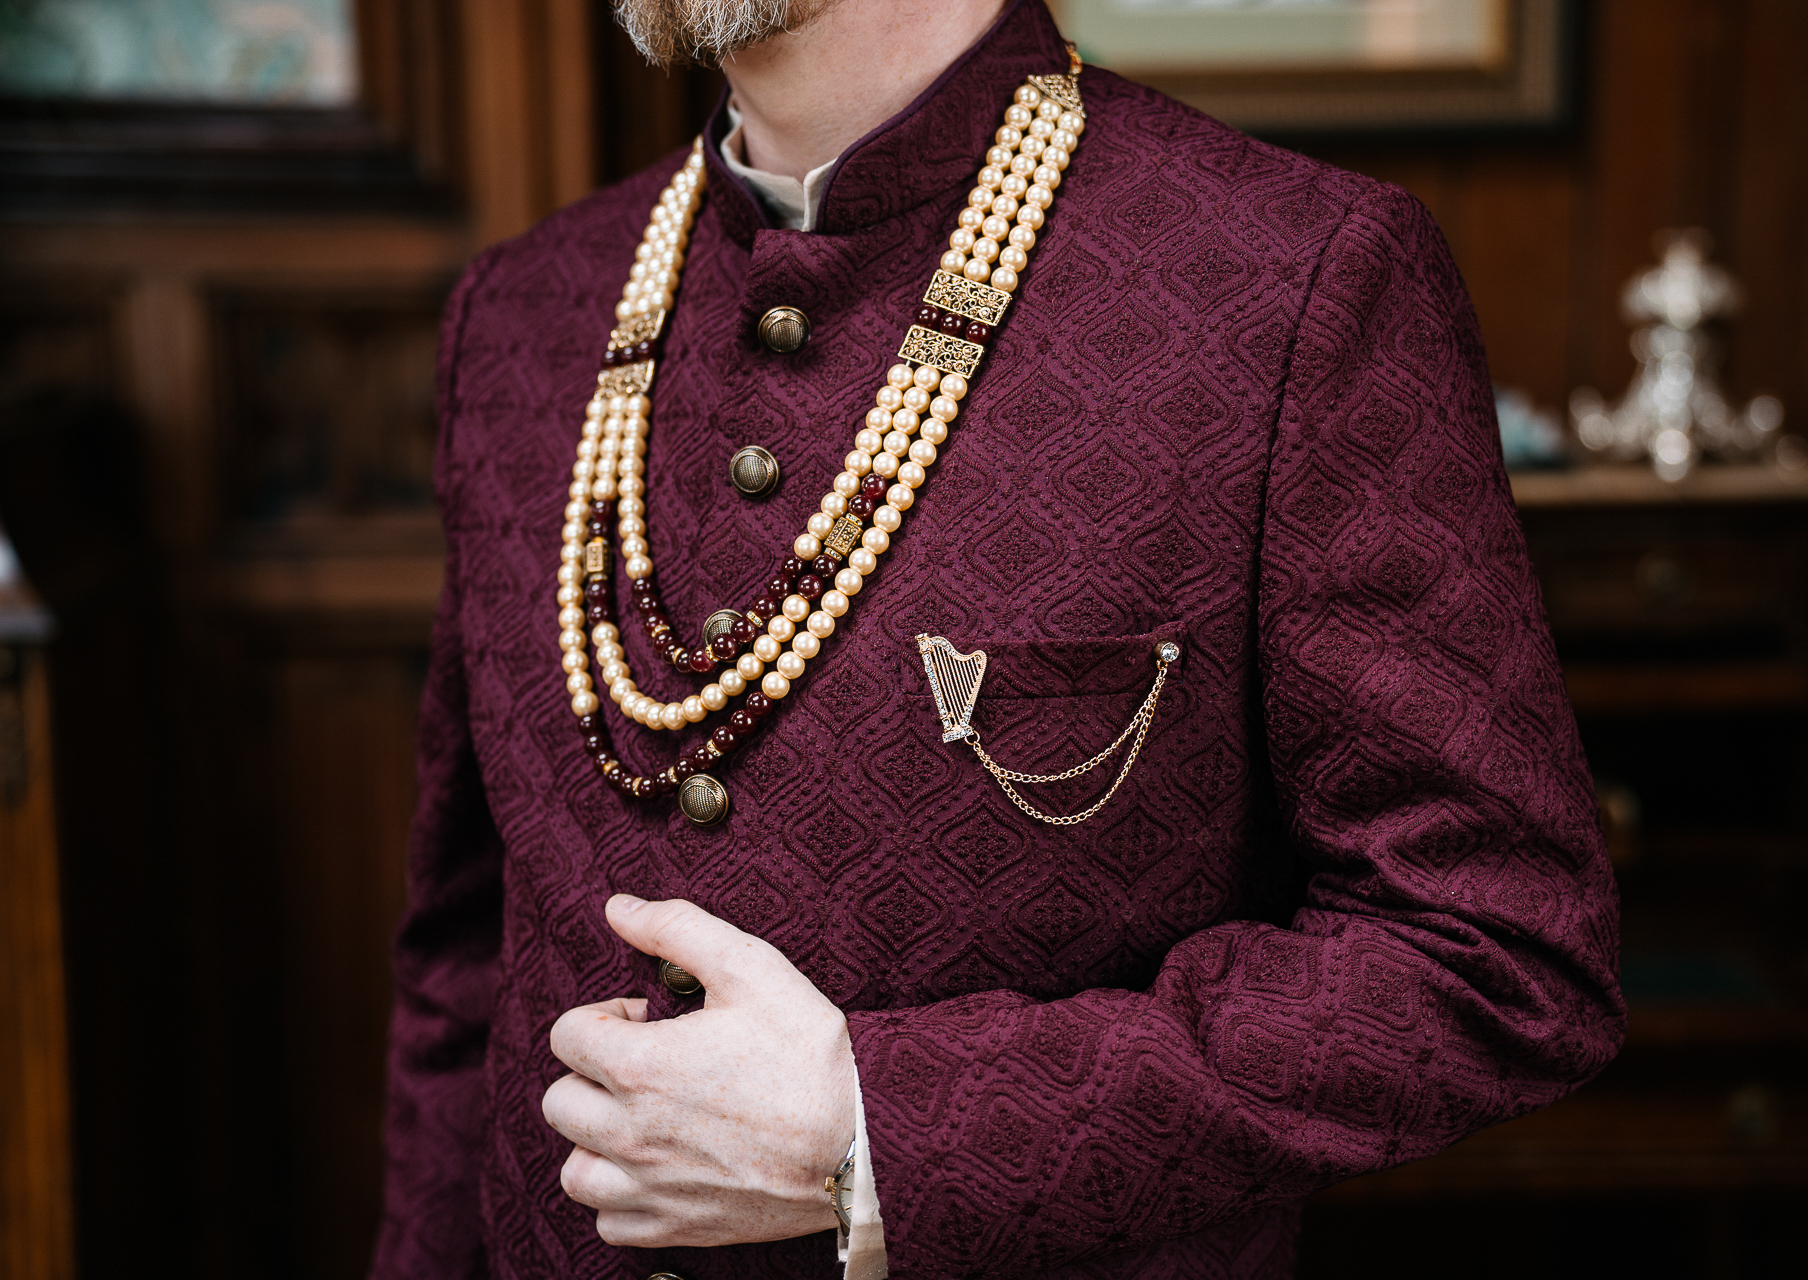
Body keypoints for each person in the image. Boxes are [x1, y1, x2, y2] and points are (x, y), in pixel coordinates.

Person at [372, 0, 1626, 1276]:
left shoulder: (1291, 277)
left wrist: (876, 1128)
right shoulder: (524, 310)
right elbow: (466, 968)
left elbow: (1495, 950)